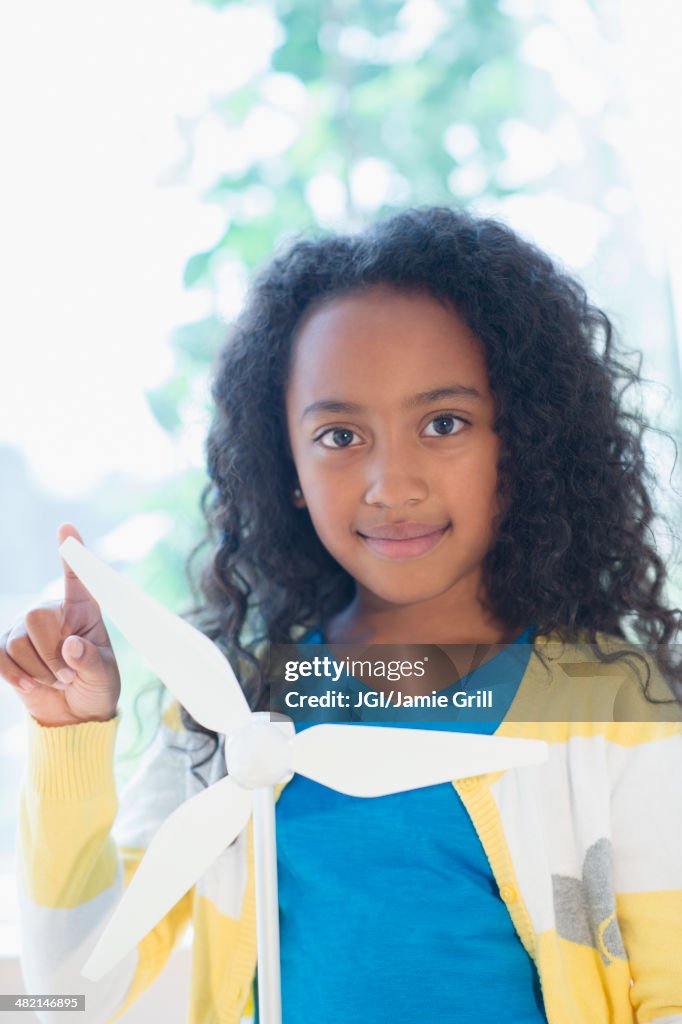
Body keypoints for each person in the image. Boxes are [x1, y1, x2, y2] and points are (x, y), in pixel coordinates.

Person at [2, 206, 682, 1024]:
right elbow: (71, 991)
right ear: (283, 460)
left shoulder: (613, 710)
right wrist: (69, 738)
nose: (392, 485)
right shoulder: (233, 707)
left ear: (524, 442)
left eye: (444, 424)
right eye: (338, 436)